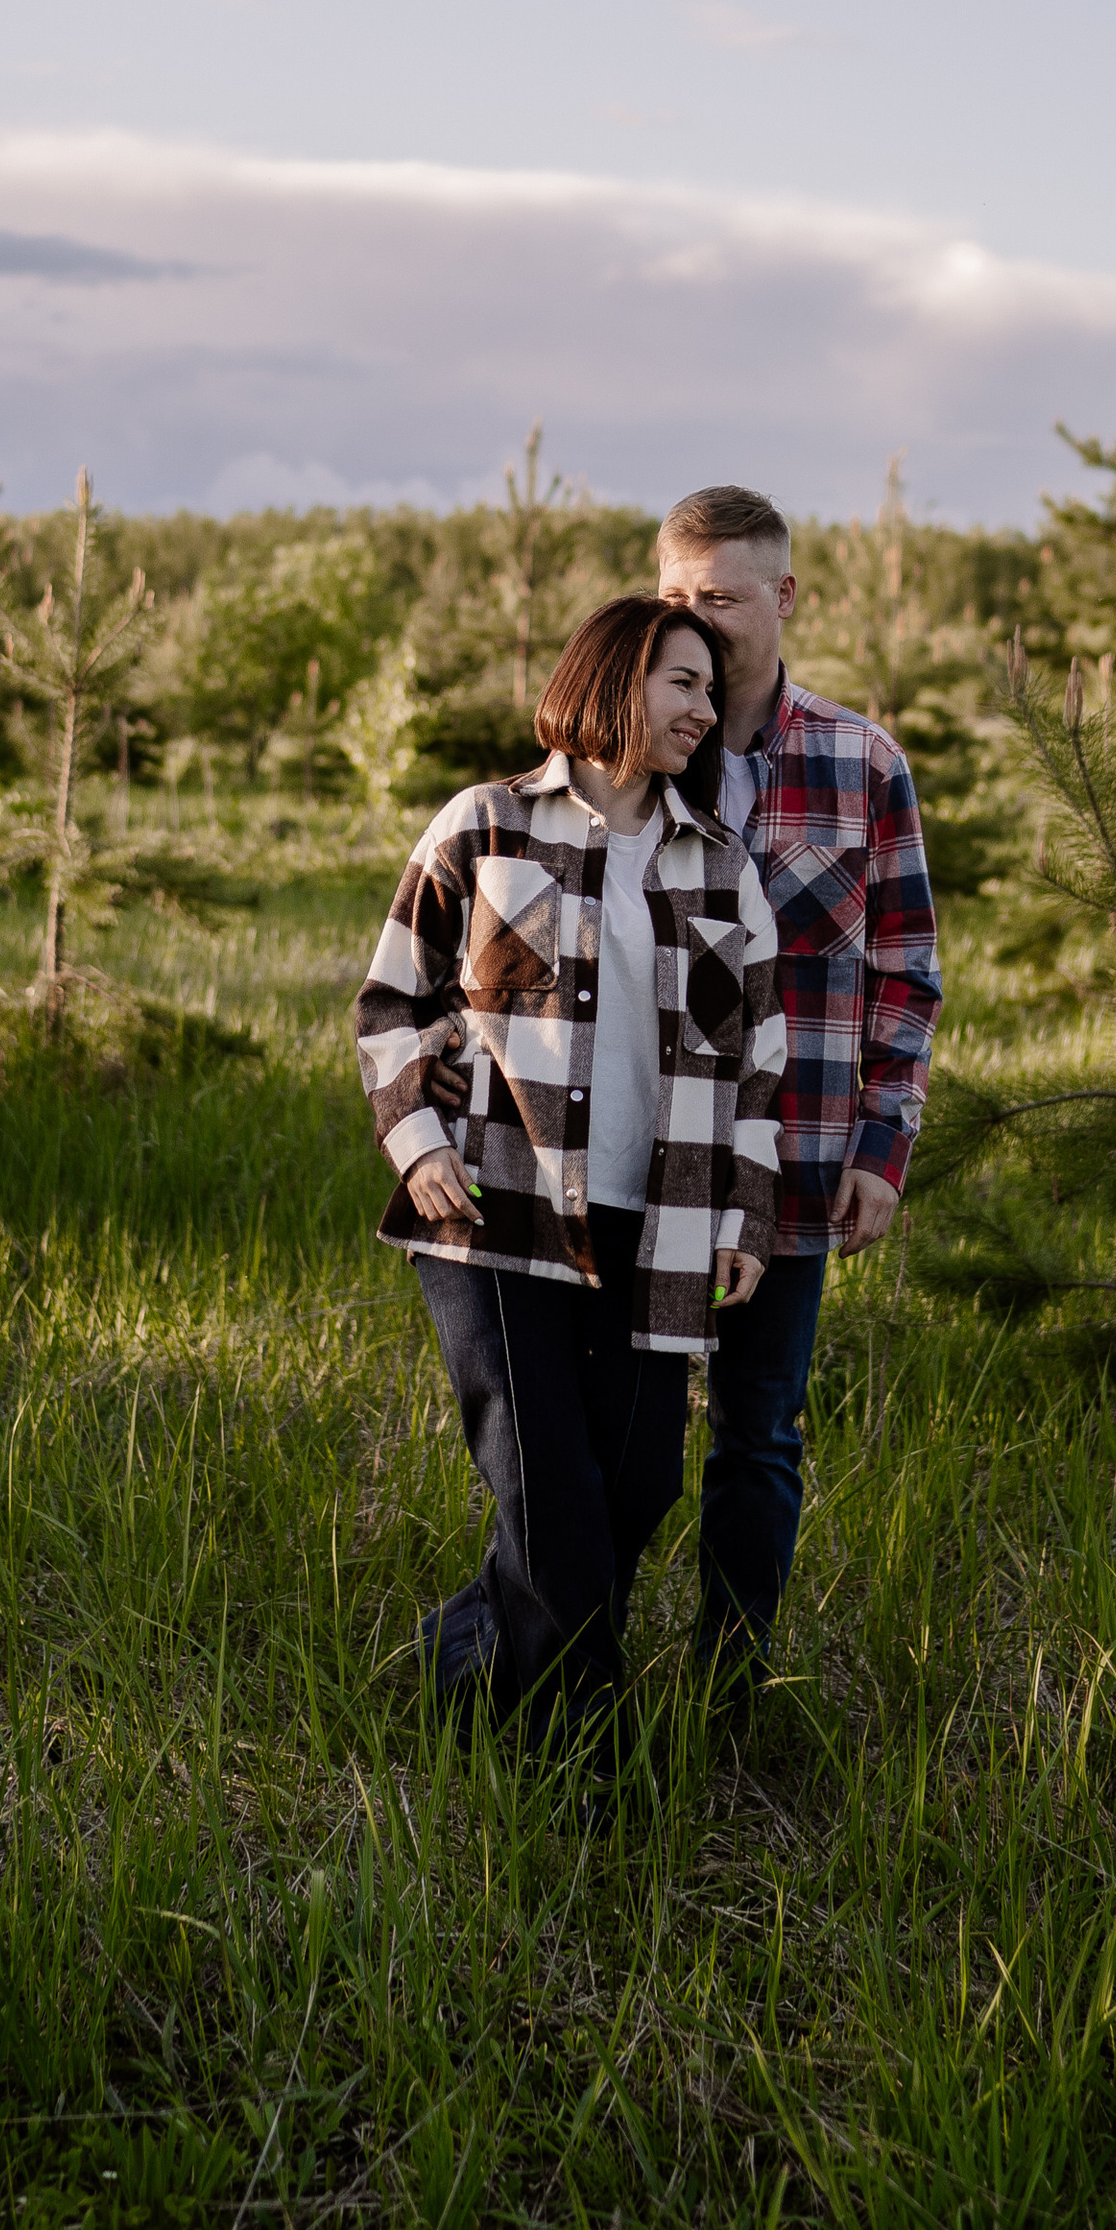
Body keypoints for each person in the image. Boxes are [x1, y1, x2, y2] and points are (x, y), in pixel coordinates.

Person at [354, 596, 785, 1755]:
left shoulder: (721, 869)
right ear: (613, 679)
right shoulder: (484, 825)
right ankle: (580, 1753)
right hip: (498, 1211)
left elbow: (758, 1065)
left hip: (664, 1224)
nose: (706, 709)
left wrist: (747, 1211)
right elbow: (393, 1002)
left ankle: (466, 1649)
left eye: (710, 688)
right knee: (544, 1478)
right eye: (684, 684)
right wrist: (417, 1138)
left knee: (637, 1484)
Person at [652, 485, 940, 1700]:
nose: (698, 622)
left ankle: (730, 1681)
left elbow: (905, 971)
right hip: (647, 1159)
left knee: (757, 1433)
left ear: (784, 598)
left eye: (720, 597)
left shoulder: (862, 765)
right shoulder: (634, 759)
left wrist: (882, 1148)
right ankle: (580, 1657)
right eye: (677, 598)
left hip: (805, 1160)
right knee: (623, 1430)